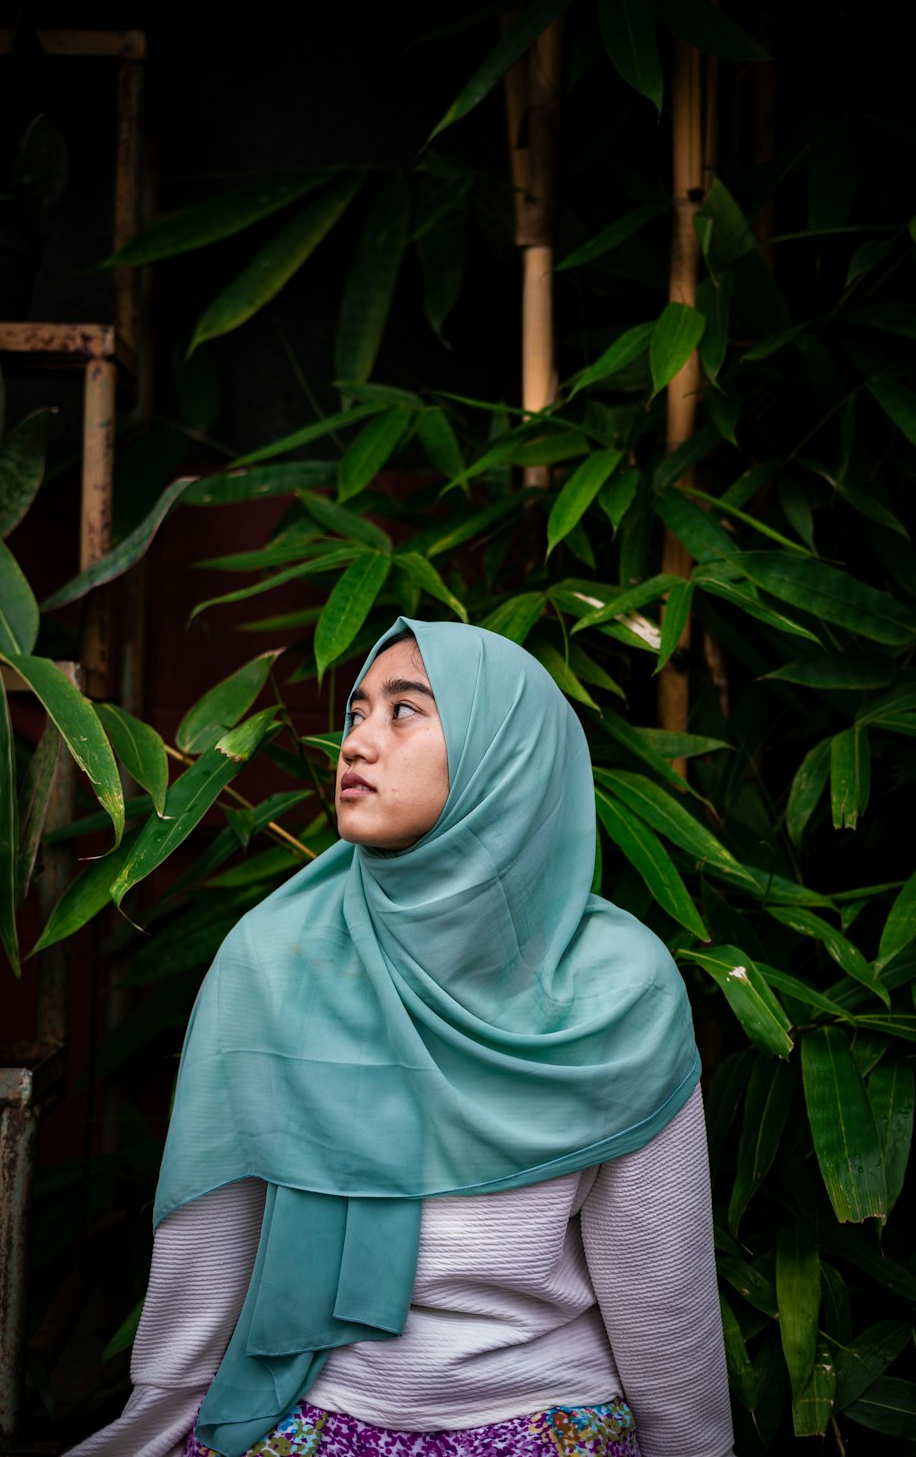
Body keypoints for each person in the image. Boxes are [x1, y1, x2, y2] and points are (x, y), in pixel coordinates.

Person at [69, 618, 735, 1457]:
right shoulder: (278, 959)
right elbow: (209, 1253)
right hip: (308, 1413)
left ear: (507, 755)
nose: (355, 744)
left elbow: (659, 1290)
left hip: (547, 1418)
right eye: (355, 714)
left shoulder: (618, 989)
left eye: (404, 712)